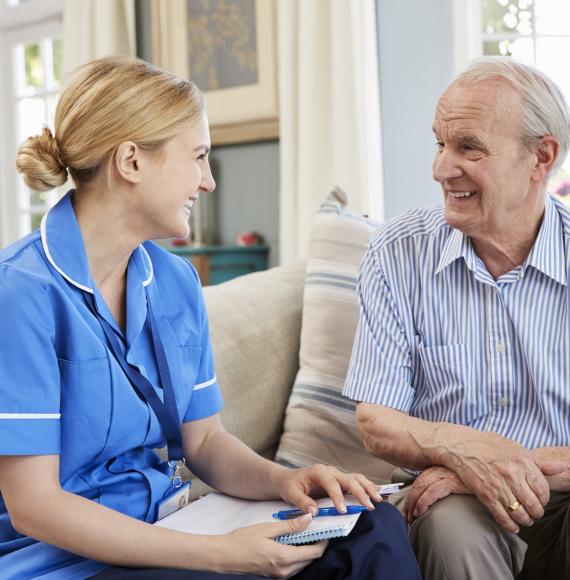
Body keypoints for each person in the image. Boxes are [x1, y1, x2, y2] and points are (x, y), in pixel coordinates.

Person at [0, 56, 421, 580]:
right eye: (197, 157)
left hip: (179, 526)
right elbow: (33, 506)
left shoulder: (174, 282)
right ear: (131, 161)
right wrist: (224, 553)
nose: (208, 182)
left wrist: (288, 480)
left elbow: (204, 443)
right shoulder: (20, 292)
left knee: (371, 526)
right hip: (74, 561)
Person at [343, 56, 570, 580]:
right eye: (440, 144)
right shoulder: (399, 253)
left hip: (561, 495)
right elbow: (376, 421)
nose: (441, 168)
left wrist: (491, 468)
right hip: (451, 505)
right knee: (453, 528)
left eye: (468, 147)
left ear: (541, 156)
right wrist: (462, 450)